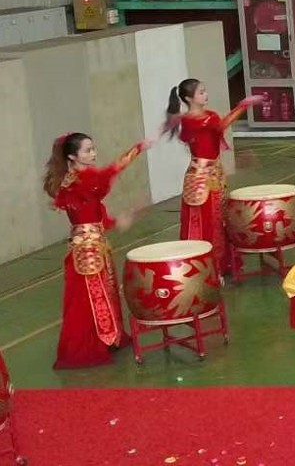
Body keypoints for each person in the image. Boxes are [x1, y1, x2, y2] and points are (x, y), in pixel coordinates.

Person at [45, 132, 150, 369]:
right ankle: (90, 345)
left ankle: (106, 338)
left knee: (103, 294)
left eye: (93, 149)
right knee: (89, 299)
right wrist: (136, 149)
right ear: (73, 156)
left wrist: (117, 221)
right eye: (88, 150)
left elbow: (92, 214)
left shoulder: (77, 180)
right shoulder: (80, 181)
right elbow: (111, 172)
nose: (93, 154)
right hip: (87, 251)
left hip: (94, 246)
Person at [162, 78, 263, 279]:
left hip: (214, 173)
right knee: (204, 222)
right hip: (200, 178)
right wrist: (243, 106)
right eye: (201, 92)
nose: (206, 95)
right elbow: (222, 125)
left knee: (219, 219)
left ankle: (220, 264)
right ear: (189, 98)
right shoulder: (194, 120)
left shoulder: (205, 116)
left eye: (205, 91)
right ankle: (205, 267)